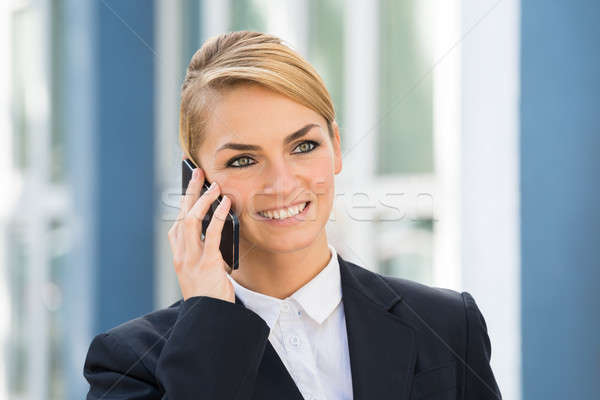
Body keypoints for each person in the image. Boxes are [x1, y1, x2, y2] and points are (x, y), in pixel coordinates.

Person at [83, 30, 502, 400]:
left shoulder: (447, 325)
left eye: (303, 146)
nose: (282, 183)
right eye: (244, 160)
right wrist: (210, 314)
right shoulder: (128, 363)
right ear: (197, 181)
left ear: (336, 147)